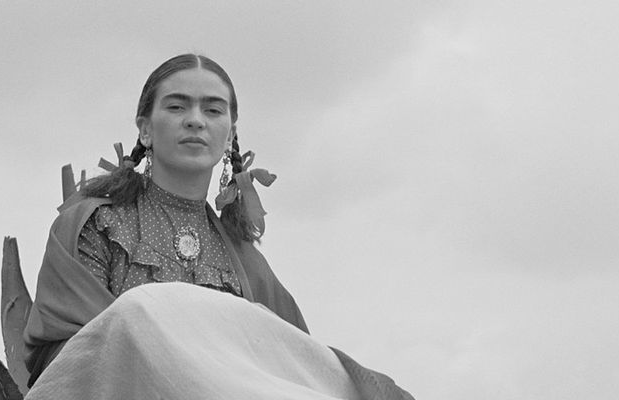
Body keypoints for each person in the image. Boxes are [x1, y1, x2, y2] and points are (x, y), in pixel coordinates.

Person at [23, 54, 411, 399]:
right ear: (144, 128)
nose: (195, 120)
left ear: (230, 134)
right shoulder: (96, 225)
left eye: (212, 110)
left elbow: (292, 368)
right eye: (177, 107)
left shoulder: (245, 263)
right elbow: (74, 358)